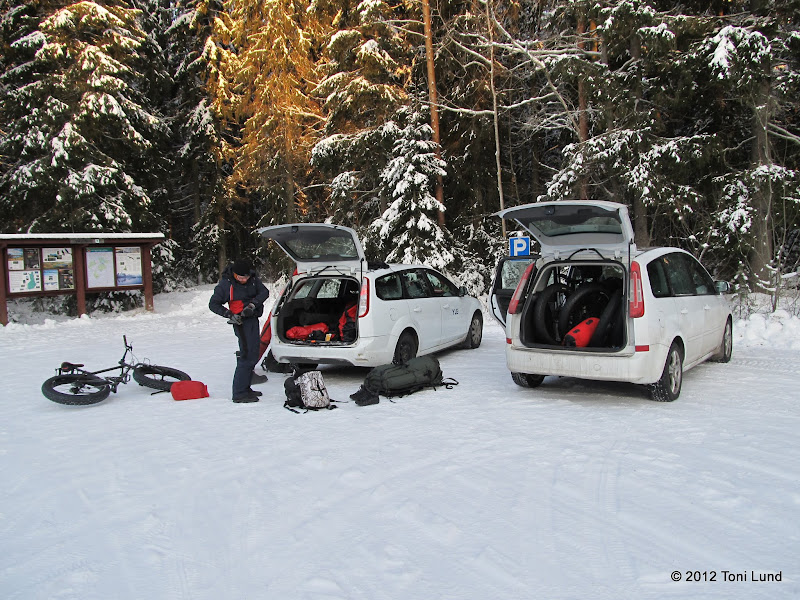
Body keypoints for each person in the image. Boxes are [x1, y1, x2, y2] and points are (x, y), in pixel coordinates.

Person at [209, 258, 270, 403]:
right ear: (235, 274)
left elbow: (264, 292)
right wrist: (229, 314)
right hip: (240, 322)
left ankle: (246, 388)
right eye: (241, 277)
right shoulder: (226, 284)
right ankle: (239, 393)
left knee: (253, 354)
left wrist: (252, 306)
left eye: (246, 277)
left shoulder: (253, 279)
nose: (244, 280)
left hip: (252, 319)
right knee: (246, 356)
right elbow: (213, 304)